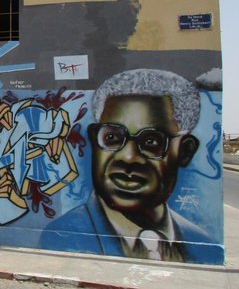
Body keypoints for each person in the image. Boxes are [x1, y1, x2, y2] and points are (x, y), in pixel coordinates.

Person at [39, 69, 219, 263]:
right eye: (112, 138)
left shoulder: (204, 246)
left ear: (185, 152)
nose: (128, 157)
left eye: (151, 142)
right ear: (94, 140)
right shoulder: (63, 236)